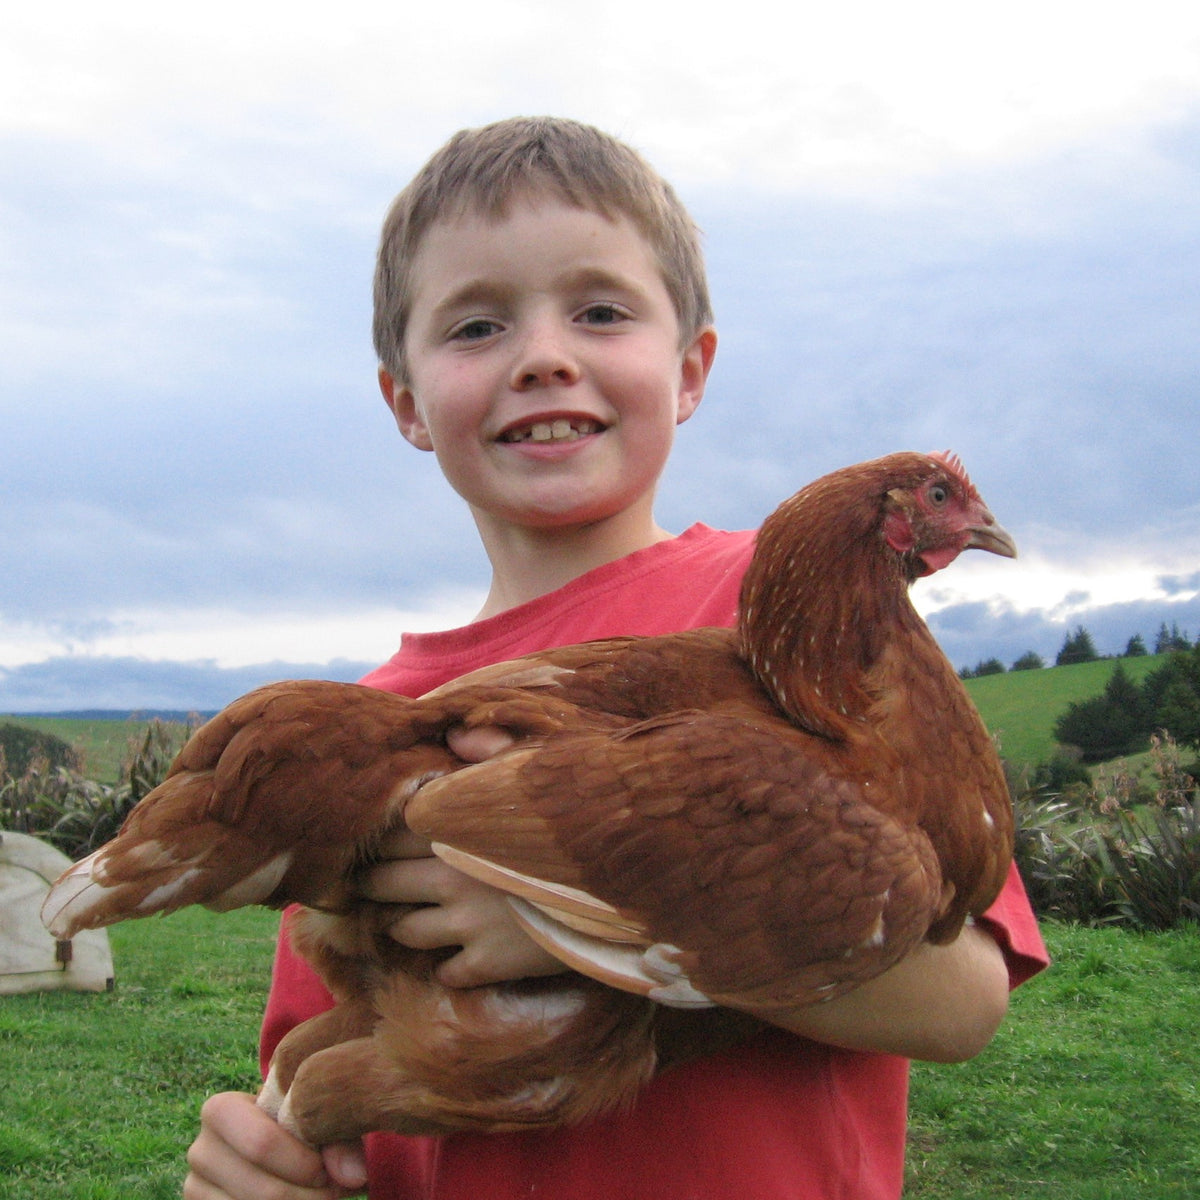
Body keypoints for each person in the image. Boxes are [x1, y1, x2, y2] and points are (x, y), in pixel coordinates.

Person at [183, 116, 1048, 1200]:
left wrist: (580, 908)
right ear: (407, 402)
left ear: (689, 371)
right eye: (477, 325)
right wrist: (264, 1164)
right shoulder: (371, 725)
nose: (545, 355)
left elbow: (966, 999)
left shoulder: (792, 629)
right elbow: (331, 1060)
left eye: (599, 311)